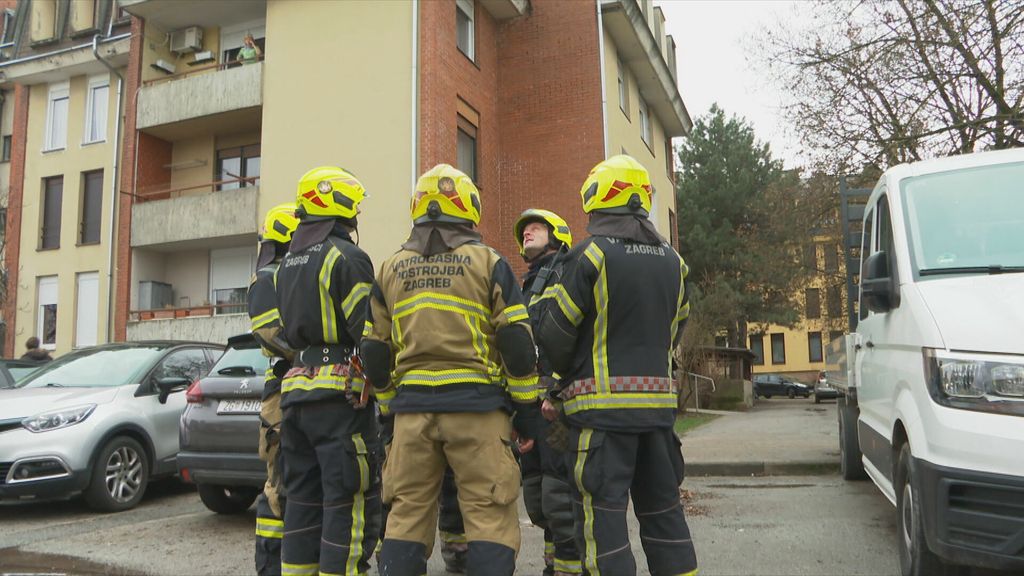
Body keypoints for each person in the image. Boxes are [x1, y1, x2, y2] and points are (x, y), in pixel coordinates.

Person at [361, 164, 545, 576]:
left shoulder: (389, 268)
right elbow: (516, 343)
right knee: (490, 516)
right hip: (478, 413)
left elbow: (374, 350)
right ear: (468, 208)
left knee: (406, 515)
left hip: (412, 416)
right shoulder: (488, 262)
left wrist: (390, 409)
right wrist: (527, 411)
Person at [536, 155, 698, 576]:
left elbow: (555, 333)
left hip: (602, 423)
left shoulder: (590, 255)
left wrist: (559, 383)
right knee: (666, 519)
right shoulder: (674, 261)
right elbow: (676, 328)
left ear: (596, 199)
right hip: (659, 420)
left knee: (603, 529)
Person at [274, 166, 380, 576]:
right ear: (340, 205)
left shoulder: (286, 263)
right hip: (338, 400)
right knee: (347, 500)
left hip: (295, 397)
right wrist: (381, 385)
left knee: (302, 501)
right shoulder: (347, 257)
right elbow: (367, 332)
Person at [513, 209, 581, 576]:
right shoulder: (527, 284)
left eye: (535, 228)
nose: (527, 233)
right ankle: (554, 562)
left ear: (557, 235)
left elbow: (570, 336)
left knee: (558, 493)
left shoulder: (567, 271)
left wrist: (555, 391)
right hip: (530, 404)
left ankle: (569, 568)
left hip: (557, 403)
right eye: (524, 230)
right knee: (537, 497)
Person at [248, 203, 300, 576]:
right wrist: (313, 350)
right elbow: (270, 335)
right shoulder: (268, 278)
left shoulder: (296, 272)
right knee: (278, 488)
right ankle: (269, 569)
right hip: (281, 394)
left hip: (300, 387)